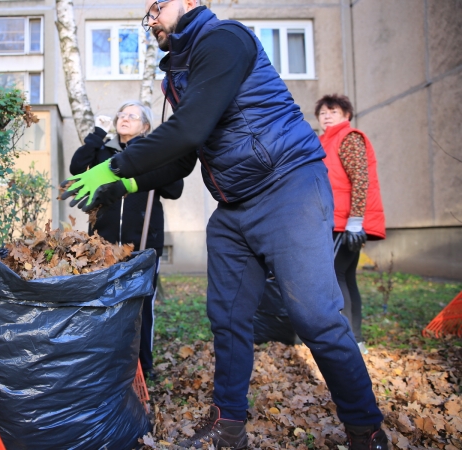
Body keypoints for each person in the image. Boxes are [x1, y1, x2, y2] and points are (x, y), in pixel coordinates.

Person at [61, 1, 389, 449]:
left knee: (315, 317)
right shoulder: (180, 72)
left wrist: (115, 165)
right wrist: (123, 185)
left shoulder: (224, 40)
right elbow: (181, 158)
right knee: (228, 318)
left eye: (158, 5)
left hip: (288, 185)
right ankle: (228, 425)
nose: (151, 17)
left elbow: (190, 130)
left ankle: (366, 430)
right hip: (234, 205)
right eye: (147, 12)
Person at [69, 100, 183, 380]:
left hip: (143, 243)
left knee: (141, 304)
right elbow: (76, 167)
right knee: (103, 302)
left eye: (132, 115)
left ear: (145, 126)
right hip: (103, 243)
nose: (124, 118)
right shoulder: (104, 151)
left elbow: (174, 188)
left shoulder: (153, 153)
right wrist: (96, 135)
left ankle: (144, 364)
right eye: (122, 114)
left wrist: (161, 157)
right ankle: (106, 361)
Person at [316, 94, 386, 355]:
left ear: (346, 115)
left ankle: (348, 339)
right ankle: (355, 339)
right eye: (322, 112)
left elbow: (360, 179)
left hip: (346, 223)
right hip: (333, 221)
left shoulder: (349, 138)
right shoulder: (323, 142)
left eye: (332, 111)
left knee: (335, 274)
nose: (326, 115)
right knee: (345, 275)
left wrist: (355, 222)